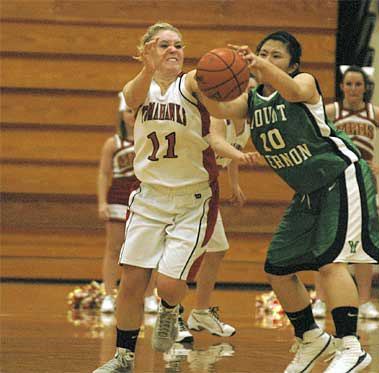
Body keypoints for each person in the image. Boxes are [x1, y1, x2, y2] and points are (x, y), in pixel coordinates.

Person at [198, 31, 379, 372]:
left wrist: (262, 66)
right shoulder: (251, 101)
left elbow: (295, 90)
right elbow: (219, 106)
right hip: (308, 192)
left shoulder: (305, 83)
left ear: (293, 64)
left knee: (331, 263)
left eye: (276, 55)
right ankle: (312, 338)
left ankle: (350, 346)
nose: (265, 58)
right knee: (278, 268)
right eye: (262, 52)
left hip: (340, 177)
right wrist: (201, 79)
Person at [93, 22, 258, 373]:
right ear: (146, 50)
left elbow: (230, 107)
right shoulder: (138, 89)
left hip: (192, 199)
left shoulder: (195, 82)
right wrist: (146, 66)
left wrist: (244, 74)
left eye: (179, 45)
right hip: (150, 197)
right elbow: (134, 95)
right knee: (131, 283)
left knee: (168, 284)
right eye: (164, 44)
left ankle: (170, 309)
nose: (173, 50)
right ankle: (123, 358)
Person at [312, 66, 379, 320]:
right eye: (348, 84)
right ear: (341, 86)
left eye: (358, 85)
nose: (353, 89)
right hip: (335, 182)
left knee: (366, 242)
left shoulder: (377, 114)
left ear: (365, 88)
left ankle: (364, 301)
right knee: (324, 240)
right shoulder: (331, 112)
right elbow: (313, 137)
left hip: (365, 184)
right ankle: (319, 299)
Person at [176, 116, 250, 343]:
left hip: (210, 186)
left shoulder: (246, 124)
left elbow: (231, 152)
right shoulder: (219, 119)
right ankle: (172, 315)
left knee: (217, 249)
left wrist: (234, 184)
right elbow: (218, 145)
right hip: (192, 185)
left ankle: (199, 312)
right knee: (187, 253)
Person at [97, 92, 159, 314]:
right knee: (114, 248)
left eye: (136, 111)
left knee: (151, 249)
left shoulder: (153, 139)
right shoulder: (112, 143)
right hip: (119, 197)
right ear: (122, 114)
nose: (133, 116)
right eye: (129, 111)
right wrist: (102, 202)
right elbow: (104, 174)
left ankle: (151, 295)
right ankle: (108, 295)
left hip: (146, 197)